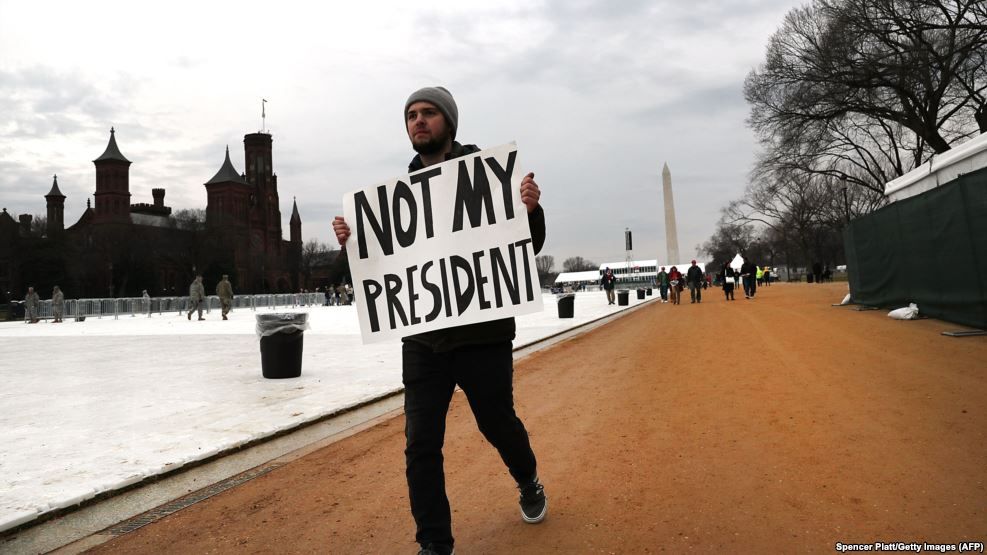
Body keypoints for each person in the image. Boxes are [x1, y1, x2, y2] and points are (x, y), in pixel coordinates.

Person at [331, 86, 548, 555]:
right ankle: (434, 543)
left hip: (482, 336)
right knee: (420, 445)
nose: (419, 121)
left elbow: (524, 246)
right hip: (424, 341)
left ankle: (527, 478)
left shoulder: (486, 177)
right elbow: (384, 265)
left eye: (429, 113)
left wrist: (530, 210)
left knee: (497, 424)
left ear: (448, 122)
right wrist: (352, 241)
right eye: (411, 115)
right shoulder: (394, 198)